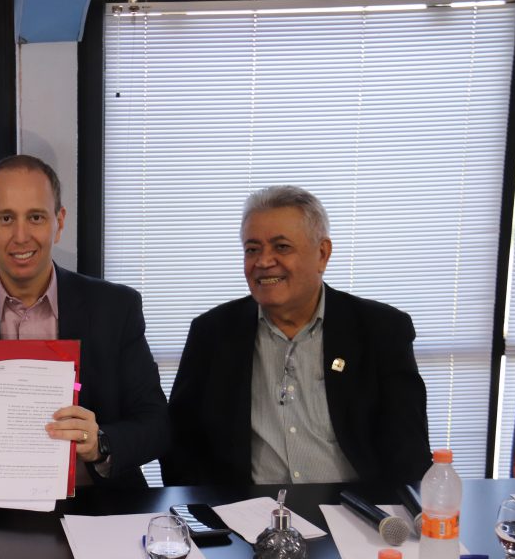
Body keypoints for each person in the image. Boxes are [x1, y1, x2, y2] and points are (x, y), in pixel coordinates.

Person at [0, 154, 169, 514]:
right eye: (6, 218)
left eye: (35, 217)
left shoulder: (115, 308)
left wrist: (100, 443)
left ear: (59, 222)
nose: (21, 236)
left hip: (93, 507)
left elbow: (157, 424)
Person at [163, 185, 429, 486]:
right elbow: (180, 443)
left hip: (352, 508)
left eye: (281, 247)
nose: (263, 262)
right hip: (245, 508)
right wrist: (212, 508)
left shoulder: (381, 329)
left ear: (322, 254)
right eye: (252, 249)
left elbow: (409, 450)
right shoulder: (212, 333)